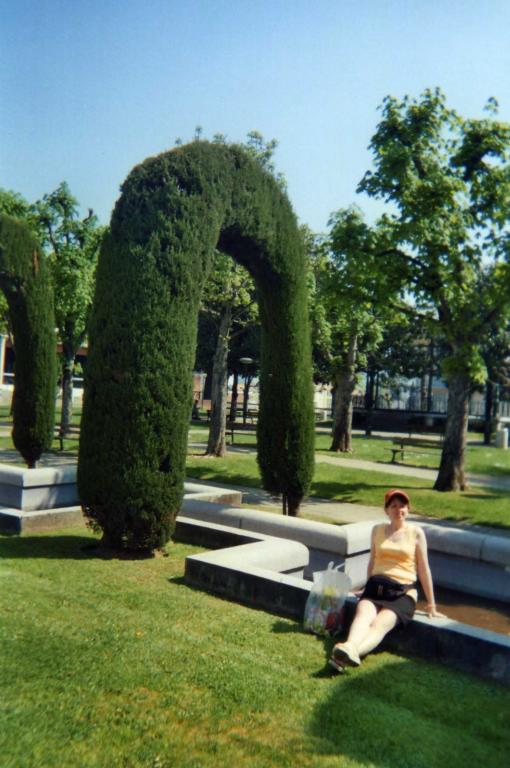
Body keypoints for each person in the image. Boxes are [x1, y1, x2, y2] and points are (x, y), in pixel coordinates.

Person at [329, 488, 446, 672]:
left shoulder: (416, 533)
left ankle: (347, 652)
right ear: (386, 510)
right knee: (362, 615)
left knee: (379, 625)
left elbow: (424, 570)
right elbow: (372, 561)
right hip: (375, 587)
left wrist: (431, 605)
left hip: (402, 593)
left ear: (408, 509)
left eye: (402, 506)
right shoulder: (377, 530)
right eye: (394, 506)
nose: (399, 510)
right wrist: (366, 586)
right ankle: (349, 649)